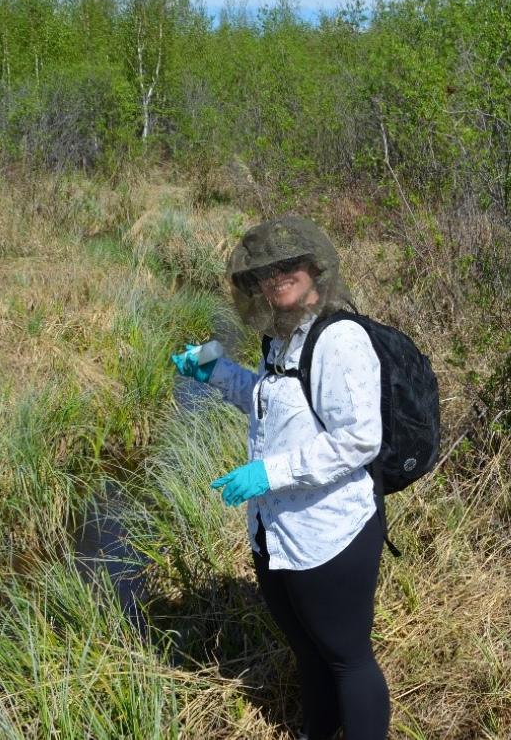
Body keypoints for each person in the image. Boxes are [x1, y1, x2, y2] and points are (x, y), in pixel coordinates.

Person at [172, 216, 389, 740]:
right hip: (276, 531)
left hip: (329, 532)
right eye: (267, 269)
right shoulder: (282, 338)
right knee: (307, 652)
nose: (278, 275)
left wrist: (269, 471)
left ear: (315, 268)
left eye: (289, 264)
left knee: (345, 658)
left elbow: (360, 438)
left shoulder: (339, 338)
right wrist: (215, 372)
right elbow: (274, 404)